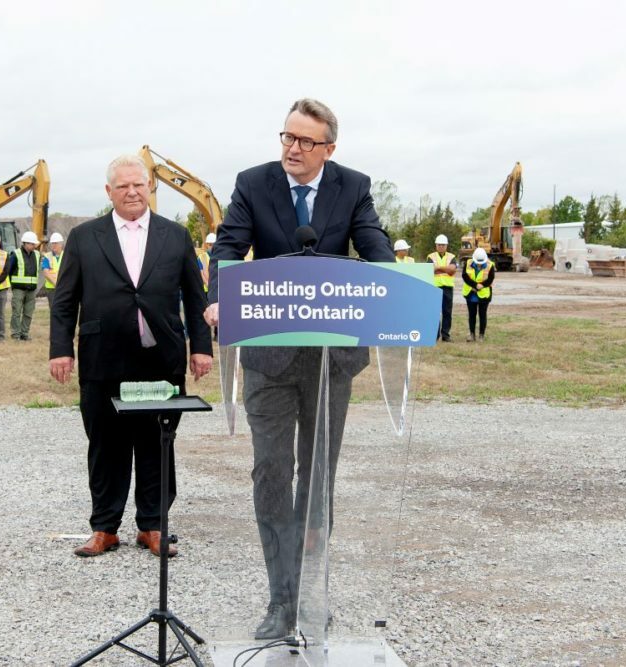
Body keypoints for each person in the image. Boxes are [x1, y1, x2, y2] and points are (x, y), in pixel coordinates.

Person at [204, 98, 394, 639]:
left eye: (305, 141)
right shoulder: (253, 183)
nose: (292, 148)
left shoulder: (352, 186)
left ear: (329, 149)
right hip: (268, 356)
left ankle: (312, 594)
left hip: (330, 360)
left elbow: (374, 243)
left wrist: (395, 286)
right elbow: (227, 248)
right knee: (271, 472)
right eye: (287, 137)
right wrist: (220, 296)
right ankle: (279, 600)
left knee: (317, 478)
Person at [50, 155, 213, 559]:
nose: (132, 192)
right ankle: (104, 527)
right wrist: (60, 350)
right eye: (122, 186)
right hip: (103, 359)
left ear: (149, 188)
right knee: (105, 444)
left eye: (138, 184)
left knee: (158, 443)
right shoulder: (86, 237)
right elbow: (65, 300)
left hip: (161, 358)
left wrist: (202, 347)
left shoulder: (174, 236)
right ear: (109, 192)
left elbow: (195, 298)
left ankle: (153, 526)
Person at [7, 231, 41, 340]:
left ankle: (24, 334)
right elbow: (9, 270)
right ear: (25, 243)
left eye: (34, 244)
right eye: (32, 244)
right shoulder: (15, 254)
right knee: (16, 312)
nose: (34, 246)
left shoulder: (37, 254)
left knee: (28, 312)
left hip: (31, 289)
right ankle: (15, 334)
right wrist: (11, 284)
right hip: (18, 289)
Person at [427, 234, 458, 342]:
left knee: (447, 312)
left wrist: (438, 268)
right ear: (436, 245)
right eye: (439, 244)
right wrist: (446, 269)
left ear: (446, 246)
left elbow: (452, 270)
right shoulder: (430, 257)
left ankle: (446, 335)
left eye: (443, 245)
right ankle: (435, 335)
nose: (441, 246)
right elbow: (430, 270)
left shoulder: (452, 256)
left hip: (447, 287)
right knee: (434, 312)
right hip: (434, 287)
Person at [462, 248, 496, 342]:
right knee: (472, 315)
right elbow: (465, 276)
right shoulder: (468, 263)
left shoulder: (490, 265)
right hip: (470, 294)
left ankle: (481, 335)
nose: (479, 264)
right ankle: (472, 335)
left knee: (482, 315)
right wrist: (475, 285)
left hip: (484, 294)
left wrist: (482, 285)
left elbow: (491, 278)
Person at [41, 232, 65, 309]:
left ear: (61, 244)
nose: (54, 245)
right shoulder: (47, 256)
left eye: (56, 243)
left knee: (64, 309)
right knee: (54, 310)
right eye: (52, 243)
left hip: (64, 288)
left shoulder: (66, 256)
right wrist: (57, 284)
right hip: (51, 289)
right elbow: (46, 273)